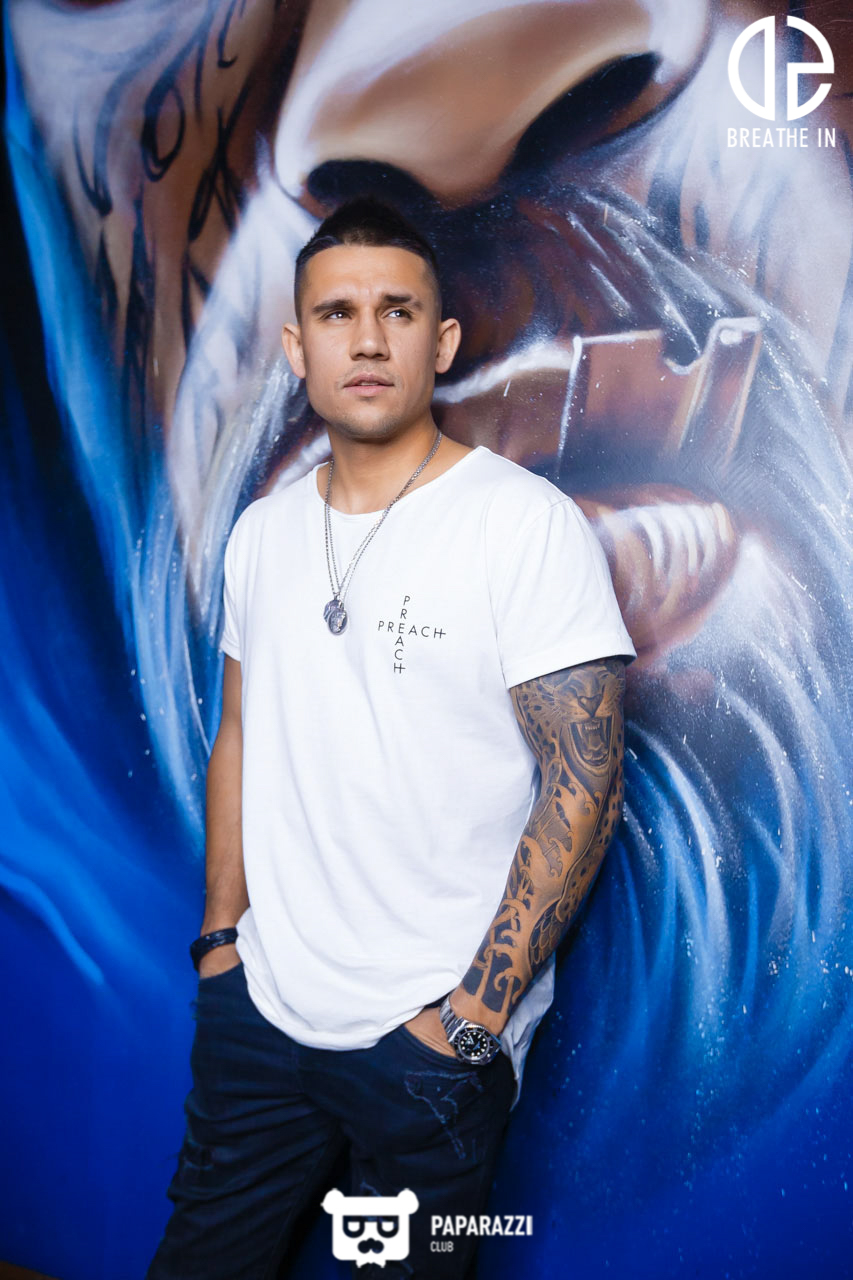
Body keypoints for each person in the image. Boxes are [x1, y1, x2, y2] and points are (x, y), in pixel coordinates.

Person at [146, 196, 636, 1280]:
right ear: (297, 347)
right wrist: (221, 944)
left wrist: (471, 1020)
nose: (366, 340)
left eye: (397, 311)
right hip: (261, 1011)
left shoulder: (522, 524)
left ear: (441, 341)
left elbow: (585, 782)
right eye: (337, 314)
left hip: (430, 1039)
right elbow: (241, 732)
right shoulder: (263, 533)